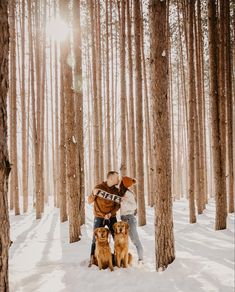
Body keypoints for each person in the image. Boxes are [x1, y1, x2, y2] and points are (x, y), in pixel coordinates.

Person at [88, 171, 120, 267]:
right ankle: (92, 258)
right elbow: (89, 201)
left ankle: (116, 259)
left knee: (116, 238)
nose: (118, 179)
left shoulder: (116, 191)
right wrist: (93, 194)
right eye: (116, 178)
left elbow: (118, 205)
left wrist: (111, 214)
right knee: (95, 238)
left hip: (112, 217)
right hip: (99, 217)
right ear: (110, 178)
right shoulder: (99, 187)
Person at [119, 176, 144, 264]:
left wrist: (123, 202)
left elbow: (134, 206)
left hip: (129, 219)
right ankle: (123, 260)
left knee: (135, 240)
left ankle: (141, 260)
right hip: (123, 220)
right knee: (123, 242)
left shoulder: (129, 194)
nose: (130, 186)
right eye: (129, 184)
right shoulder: (121, 192)